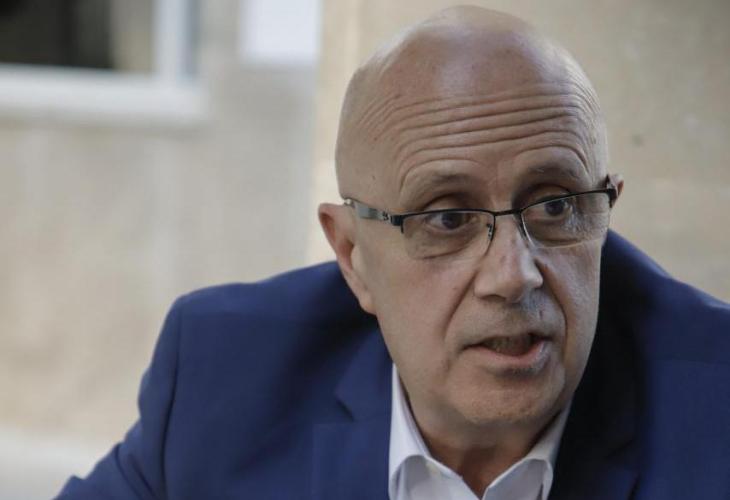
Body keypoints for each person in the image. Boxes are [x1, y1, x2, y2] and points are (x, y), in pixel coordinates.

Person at [56, 6, 730, 500]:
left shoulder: (713, 404)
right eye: (448, 218)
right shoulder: (228, 375)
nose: (513, 275)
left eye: (555, 207)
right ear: (353, 256)